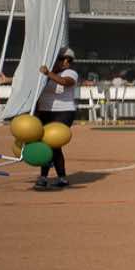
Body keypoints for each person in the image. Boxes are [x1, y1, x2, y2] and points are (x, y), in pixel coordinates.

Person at [31, 48, 79, 189]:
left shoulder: (70, 73)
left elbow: (65, 82)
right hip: (45, 112)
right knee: (47, 144)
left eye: (68, 60)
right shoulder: (45, 73)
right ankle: (60, 178)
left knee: (52, 142)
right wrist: (8, 80)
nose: (65, 62)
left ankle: (44, 178)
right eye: (61, 58)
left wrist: (48, 73)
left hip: (63, 112)